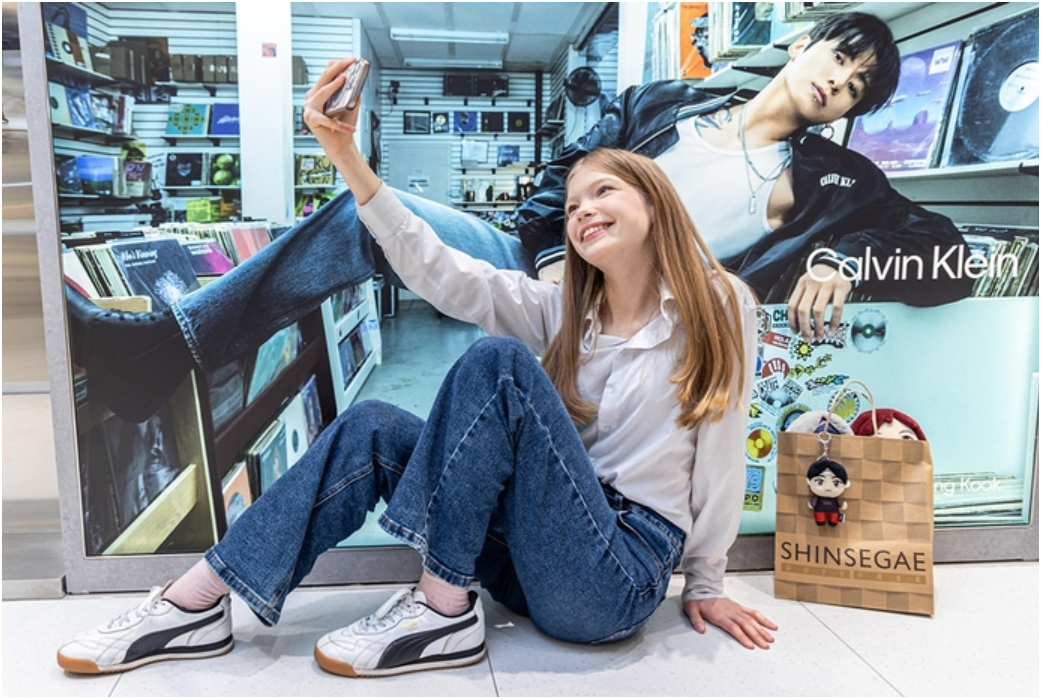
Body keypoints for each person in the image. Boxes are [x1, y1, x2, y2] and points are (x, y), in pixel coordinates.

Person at [57, 58, 776, 678]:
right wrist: (346, 157)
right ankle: (195, 603)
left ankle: (441, 609)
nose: (582, 210)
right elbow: (444, 273)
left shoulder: (718, 304)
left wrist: (705, 584)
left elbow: (722, 451)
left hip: (615, 576)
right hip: (536, 554)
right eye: (572, 205)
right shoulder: (562, 310)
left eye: (604, 192)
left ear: (655, 201)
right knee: (371, 425)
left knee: (498, 363)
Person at [64, 11, 972, 425]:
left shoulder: (836, 181)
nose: (839, 82)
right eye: (839, 58)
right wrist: (542, 257)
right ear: (803, 43)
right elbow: (558, 183)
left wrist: (843, 258)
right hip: (545, 262)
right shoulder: (662, 103)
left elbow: (947, 252)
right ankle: (160, 351)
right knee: (359, 215)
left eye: (859, 87)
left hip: (637, 320)